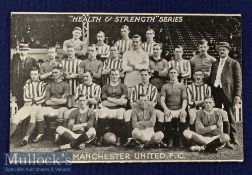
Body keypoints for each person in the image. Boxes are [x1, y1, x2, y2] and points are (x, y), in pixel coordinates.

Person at [209, 42, 242, 146]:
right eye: (220, 50)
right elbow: (211, 78)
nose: (221, 51)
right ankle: (219, 135)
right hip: (216, 91)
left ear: (228, 51)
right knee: (217, 115)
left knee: (230, 114)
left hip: (228, 92)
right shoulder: (214, 63)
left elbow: (238, 80)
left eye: (224, 49)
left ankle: (233, 137)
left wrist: (237, 94)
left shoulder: (233, 63)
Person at [10, 67, 46, 145]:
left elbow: (43, 97)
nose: (33, 76)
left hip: (38, 106)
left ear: (39, 74)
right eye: (32, 74)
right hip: (27, 106)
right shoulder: (27, 85)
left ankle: (26, 138)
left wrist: (32, 100)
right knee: (16, 117)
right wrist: (34, 99)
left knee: (33, 116)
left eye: (35, 74)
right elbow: (25, 97)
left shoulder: (43, 84)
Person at [36, 65, 70, 141]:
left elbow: (64, 101)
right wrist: (58, 101)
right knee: (39, 111)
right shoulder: (49, 85)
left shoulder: (66, 85)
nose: (54, 74)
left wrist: (52, 99)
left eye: (56, 72)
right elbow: (47, 102)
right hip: (51, 108)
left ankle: (58, 134)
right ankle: (40, 134)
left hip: (62, 108)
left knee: (61, 111)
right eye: (53, 73)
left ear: (61, 73)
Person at [124, 69, 158, 141]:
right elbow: (132, 104)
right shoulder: (135, 88)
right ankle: (129, 138)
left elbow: (153, 104)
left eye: (145, 75)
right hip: (137, 110)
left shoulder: (153, 88)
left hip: (149, 110)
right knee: (127, 113)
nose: (144, 76)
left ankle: (156, 138)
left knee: (160, 115)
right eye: (142, 75)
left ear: (149, 76)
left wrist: (139, 101)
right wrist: (145, 102)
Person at [97, 69, 128, 146]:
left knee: (120, 113)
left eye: (116, 74)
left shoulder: (123, 86)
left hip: (119, 108)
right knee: (101, 112)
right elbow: (104, 102)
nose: (114, 76)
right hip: (108, 108)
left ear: (119, 76)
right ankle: (100, 137)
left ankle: (119, 138)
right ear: (110, 76)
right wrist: (118, 101)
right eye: (113, 74)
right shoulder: (105, 87)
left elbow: (124, 101)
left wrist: (111, 99)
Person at [159, 68, 187, 148]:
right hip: (169, 109)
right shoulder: (165, 86)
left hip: (179, 108)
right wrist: (166, 109)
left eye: (175, 72)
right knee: (167, 116)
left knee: (183, 115)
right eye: (171, 72)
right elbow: (162, 99)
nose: (173, 74)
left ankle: (182, 139)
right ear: (168, 74)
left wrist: (183, 109)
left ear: (177, 74)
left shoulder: (182, 86)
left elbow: (184, 99)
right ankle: (170, 139)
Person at [11, 43, 38, 108]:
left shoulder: (32, 60)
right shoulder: (14, 60)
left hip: (28, 86)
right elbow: (11, 73)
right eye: (21, 50)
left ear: (27, 51)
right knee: (18, 105)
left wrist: (31, 79)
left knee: (28, 105)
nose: (23, 51)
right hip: (17, 87)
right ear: (19, 50)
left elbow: (37, 72)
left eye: (25, 50)